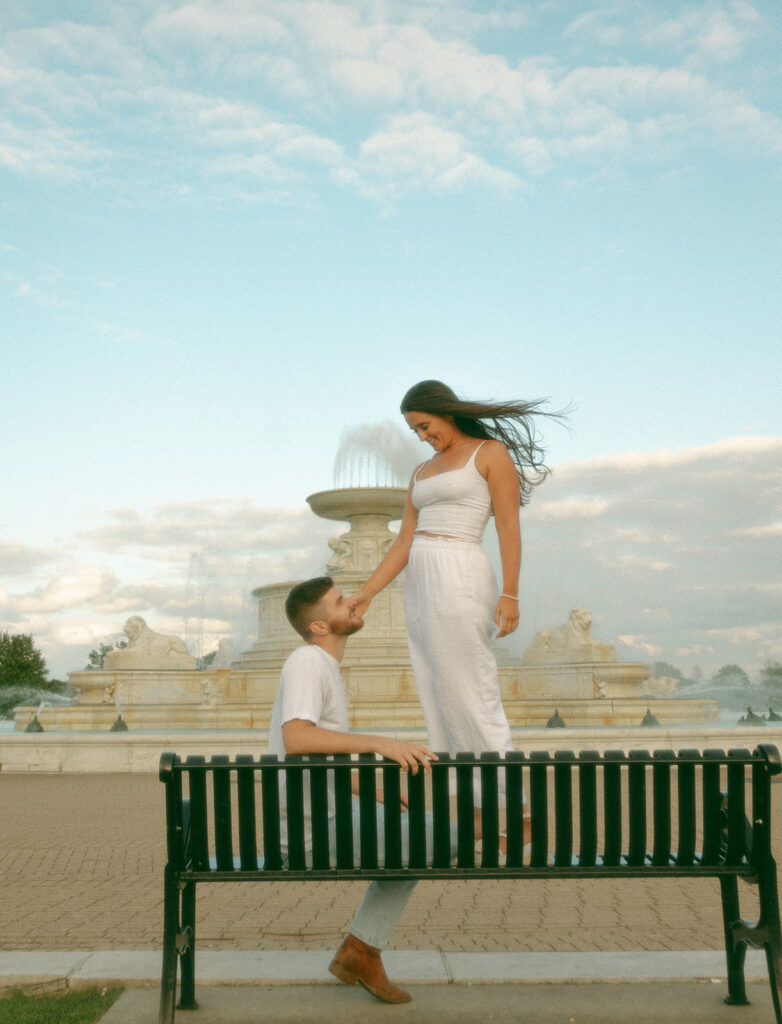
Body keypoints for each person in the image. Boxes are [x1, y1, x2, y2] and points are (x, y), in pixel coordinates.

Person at [348, 380, 557, 836]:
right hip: (421, 582)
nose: (422, 436)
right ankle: (474, 813)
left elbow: (507, 524)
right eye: (414, 431)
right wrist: (367, 593)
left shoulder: (489, 453)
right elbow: (404, 540)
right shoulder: (421, 472)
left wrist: (511, 593)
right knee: (438, 696)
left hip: (461, 572)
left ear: (445, 412)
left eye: (424, 426)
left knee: (473, 694)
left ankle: (519, 816)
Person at [269, 575, 450, 1005]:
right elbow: (297, 739)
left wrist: (376, 793)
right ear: (318, 626)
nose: (351, 604)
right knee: (440, 838)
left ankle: (361, 951)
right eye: (338, 602)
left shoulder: (321, 666)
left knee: (420, 837)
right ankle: (361, 949)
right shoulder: (307, 663)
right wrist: (379, 743)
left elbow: (318, 763)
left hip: (320, 819)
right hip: (312, 833)